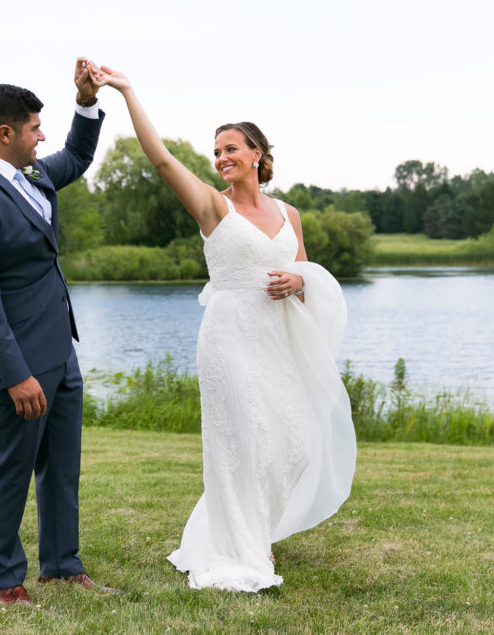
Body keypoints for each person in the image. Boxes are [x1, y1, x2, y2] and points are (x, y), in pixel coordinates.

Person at [93, 65, 356, 592]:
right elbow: (163, 160)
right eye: (216, 152)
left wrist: (295, 284)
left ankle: (254, 528)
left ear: (257, 153)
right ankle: (241, 546)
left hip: (278, 336)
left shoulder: (289, 213)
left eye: (231, 148)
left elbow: (304, 273)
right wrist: (125, 91)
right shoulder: (214, 207)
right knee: (246, 437)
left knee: (293, 442)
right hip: (229, 334)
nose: (221, 158)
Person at [0, 58, 116, 604]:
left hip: (61, 353)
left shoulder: (35, 175)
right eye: (36, 127)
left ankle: (62, 564)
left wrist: (86, 101)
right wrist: (15, 374)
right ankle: (3, 577)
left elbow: (80, 154)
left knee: (62, 468)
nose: (43, 136)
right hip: (14, 363)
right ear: (6, 132)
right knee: (10, 471)